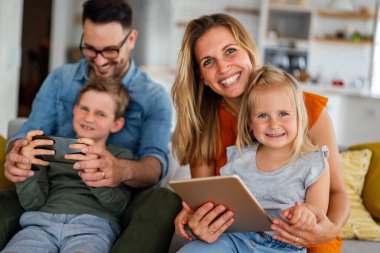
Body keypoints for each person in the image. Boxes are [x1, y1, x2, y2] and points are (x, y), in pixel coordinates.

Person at [2, 0, 181, 252]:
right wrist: (17, 155)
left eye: (109, 50)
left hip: (112, 202)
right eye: (89, 48)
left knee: (164, 200)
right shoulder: (61, 79)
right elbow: (28, 135)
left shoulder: (154, 97)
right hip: (50, 197)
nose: (99, 61)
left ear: (131, 39)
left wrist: (120, 170)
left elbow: (155, 163)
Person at [171, 13, 349, 252]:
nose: (223, 67)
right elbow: (208, 204)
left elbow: (337, 192)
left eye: (230, 51)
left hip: (303, 240)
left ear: (249, 50)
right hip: (236, 239)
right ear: (201, 77)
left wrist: (330, 228)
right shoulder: (204, 124)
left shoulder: (305, 109)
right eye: (208, 61)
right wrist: (200, 221)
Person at [178, 65, 331, 253]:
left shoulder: (314, 163)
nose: (274, 124)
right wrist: (195, 209)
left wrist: (305, 215)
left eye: (283, 114)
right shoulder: (239, 157)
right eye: (263, 115)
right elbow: (222, 203)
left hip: (284, 247)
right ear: (250, 123)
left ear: (300, 117)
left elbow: (317, 215)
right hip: (234, 238)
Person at [2, 77, 133, 253]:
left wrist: (96, 177)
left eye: (100, 114)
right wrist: (27, 171)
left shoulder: (120, 157)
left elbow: (118, 206)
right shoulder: (48, 151)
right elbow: (32, 203)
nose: (89, 118)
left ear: (116, 123)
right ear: (74, 109)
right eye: (84, 109)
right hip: (40, 223)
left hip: (92, 227)